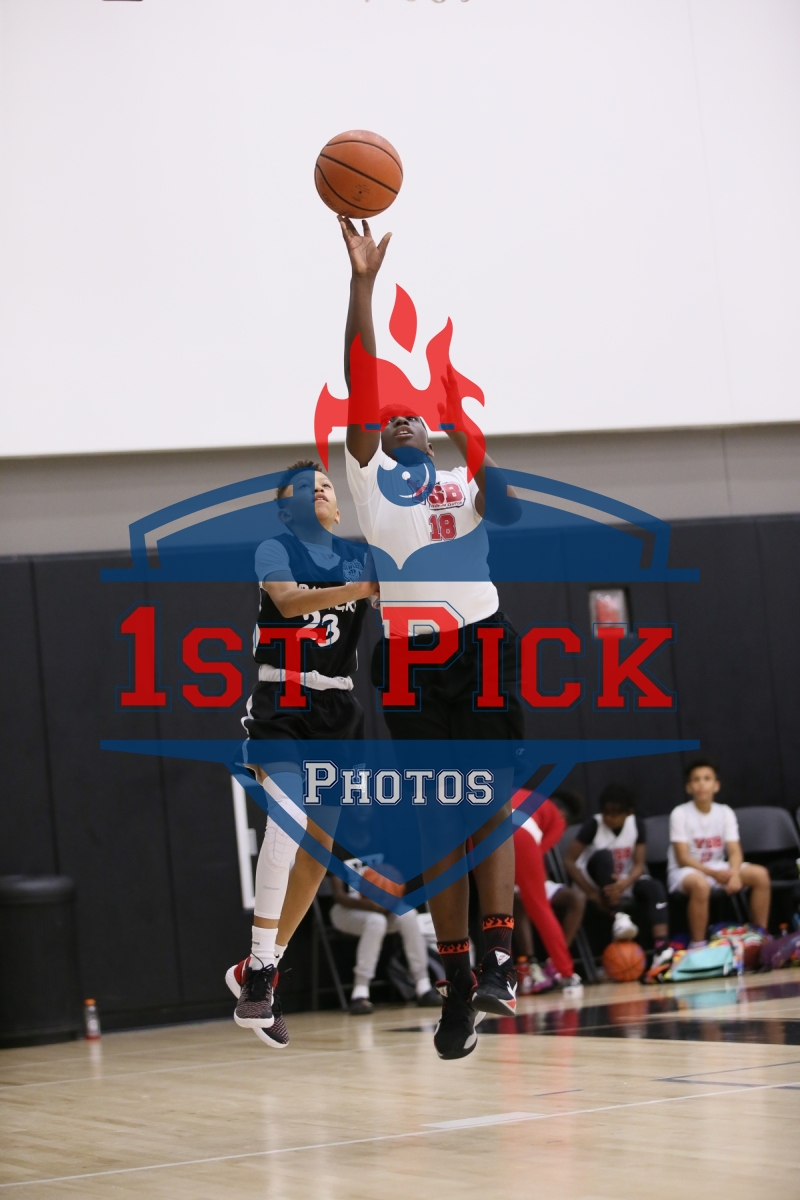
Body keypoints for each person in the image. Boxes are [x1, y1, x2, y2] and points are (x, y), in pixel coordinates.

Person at [338, 215, 523, 1059]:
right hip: (410, 660)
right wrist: (363, 285)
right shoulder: (371, 486)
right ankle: (455, 982)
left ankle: (500, 962)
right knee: (440, 821)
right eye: (393, 419)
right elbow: (359, 382)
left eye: (417, 418)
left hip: (479, 643)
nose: (402, 421)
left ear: (433, 436)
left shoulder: (458, 479)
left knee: (489, 805)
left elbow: (507, 508)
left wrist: (465, 429)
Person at [227, 461, 377, 1046]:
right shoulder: (276, 550)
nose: (318, 490)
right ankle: (259, 975)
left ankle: (257, 969)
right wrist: (363, 589)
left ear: (338, 508)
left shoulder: (361, 556)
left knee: (316, 855)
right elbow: (289, 602)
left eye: (326, 486)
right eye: (303, 489)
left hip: (337, 711)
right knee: (286, 822)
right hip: (283, 702)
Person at [668, 757, 770, 948]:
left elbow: (734, 850)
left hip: (717, 867)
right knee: (700, 885)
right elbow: (682, 858)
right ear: (688, 787)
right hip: (686, 871)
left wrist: (735, 874)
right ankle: (698, 946)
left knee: (760, 875)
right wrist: (714, 874)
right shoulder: (679, 813)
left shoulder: (725, 812)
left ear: (716, 786)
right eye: (696, 780)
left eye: (707, 779)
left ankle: (759, 938)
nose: (701, 784)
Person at [564, 783, 671, 964]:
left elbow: (639, 864)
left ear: (628, 813)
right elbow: (568, 860)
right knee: (604, 856)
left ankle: (661, 948)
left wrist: (626, 882)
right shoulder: (594, 825)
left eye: (615, 814)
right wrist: (592, 893)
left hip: (622, 882)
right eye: (606, 812)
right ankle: (619, 914)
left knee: (655, 887)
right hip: (593, 882)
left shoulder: (636, 824)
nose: (609, 818)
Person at [328, 867, 441, 1014]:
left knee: (409, 914)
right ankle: (360, 992)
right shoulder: (339, 853)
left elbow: (396, 881)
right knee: (376, 921)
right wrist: (370, 905)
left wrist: (390, 901)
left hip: (382, 909)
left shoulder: (382, 851)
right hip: (346, 909)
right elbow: (339, 896)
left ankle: (423, 986)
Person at [512, 791, 585, 993]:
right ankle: (566, 973)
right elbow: (538, 850)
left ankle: (497, 977)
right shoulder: (557, 819)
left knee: (491, 909)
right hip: (520, 837)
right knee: (539, 907)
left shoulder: (522, 793)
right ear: (564, 815)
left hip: (479, 833)